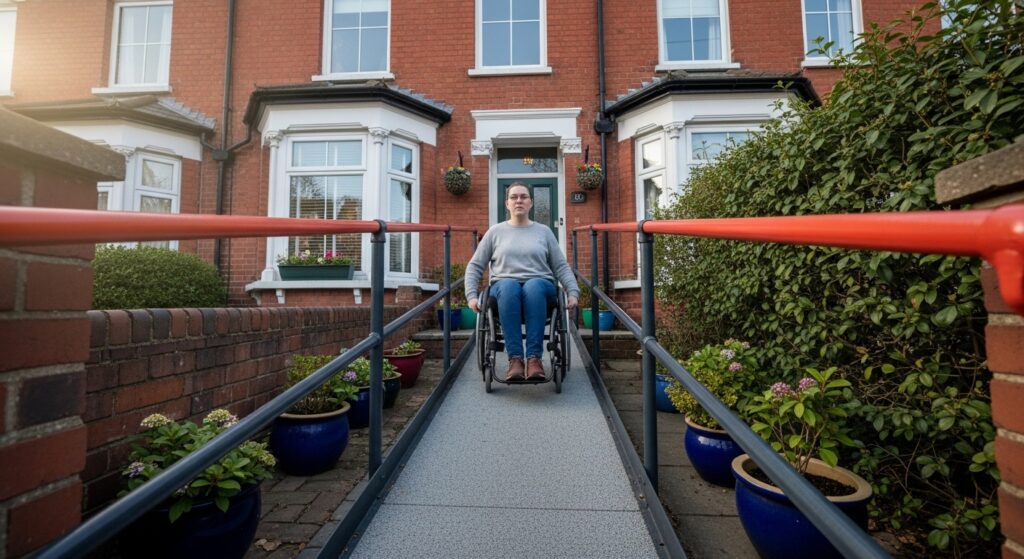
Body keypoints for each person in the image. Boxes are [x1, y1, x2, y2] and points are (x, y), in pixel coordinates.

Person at [465, 183, 580, 381]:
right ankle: (515, 360)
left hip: (540, 286)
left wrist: (573, 292)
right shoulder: (495, 232)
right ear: (507, 203)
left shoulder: (544, 232)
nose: (519, 200)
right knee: (509, 286)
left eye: (523, 196)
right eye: (514, 197)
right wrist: (471, 296)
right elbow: (475, 266)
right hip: (504, 287)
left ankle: (534, 359)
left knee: (533, 286)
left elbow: (561, 266)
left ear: (531, 203)